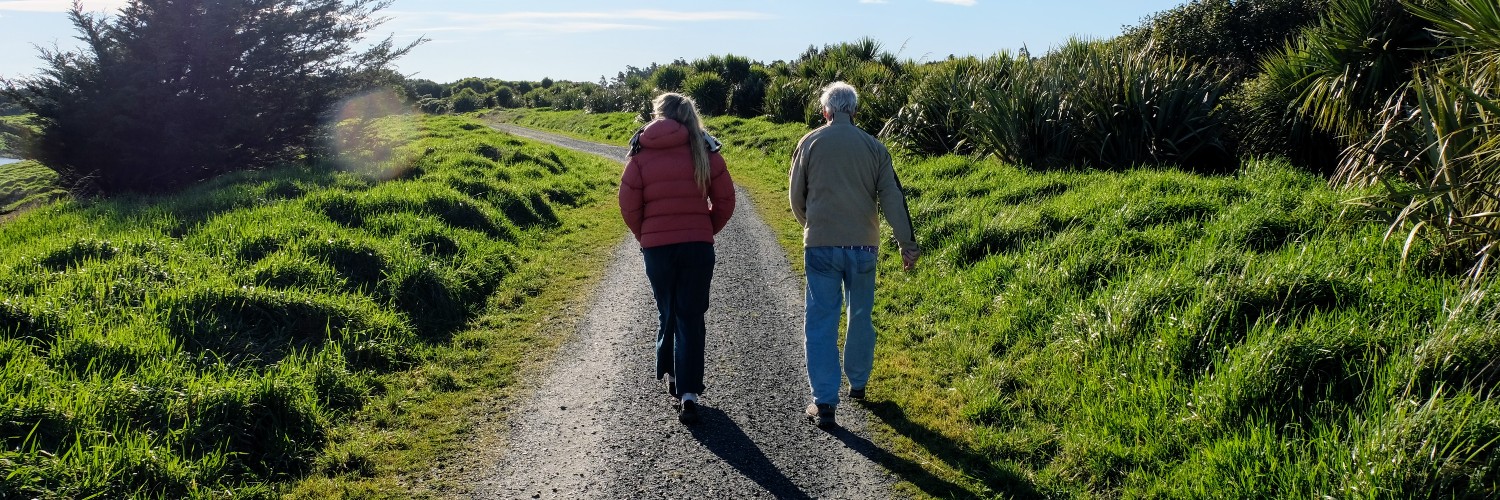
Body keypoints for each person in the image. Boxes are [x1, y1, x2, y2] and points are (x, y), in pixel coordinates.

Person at [789, 81, 919, 429]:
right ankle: (858, 383)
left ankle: (824, 401)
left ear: (825, 112)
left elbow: (795, 197)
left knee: (820, 320)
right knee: (860, 313)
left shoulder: (810, 142)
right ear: (855, 112)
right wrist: (907, 243)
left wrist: (812, 224)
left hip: (820, 244)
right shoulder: (875, 148)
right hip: (864, 245)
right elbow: (892, 198)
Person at [619, 92, 736, 425]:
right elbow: (725, 201)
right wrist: (704, 229)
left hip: (657, 248)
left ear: (658, 114)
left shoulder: (639, 151)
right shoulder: (705, 149)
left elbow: (628, 205)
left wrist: (646, 236)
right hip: (697, 245)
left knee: (667, 309)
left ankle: (670, 373)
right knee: (691, 315)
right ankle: (688, 393)